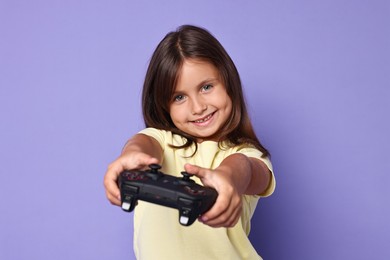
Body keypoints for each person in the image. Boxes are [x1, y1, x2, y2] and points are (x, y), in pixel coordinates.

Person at [104, 24, 276, 260]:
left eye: (206, 87)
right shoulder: (163, 142)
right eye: (179, 97)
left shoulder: (246, 153)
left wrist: (229, 177)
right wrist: (131, 157)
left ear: (228, 82)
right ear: (164, 105)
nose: (198, 107)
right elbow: (143, 143)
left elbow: (246, 168)